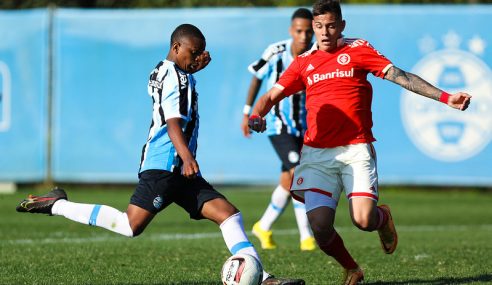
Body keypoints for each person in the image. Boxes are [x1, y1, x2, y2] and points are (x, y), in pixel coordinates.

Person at [16, 24, 305, 285]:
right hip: (165, 165)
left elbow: (176, 93)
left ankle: (264, 278)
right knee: (130, 225)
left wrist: (190, 70)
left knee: (228, 215)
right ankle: (57, 204)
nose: (197, 58)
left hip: (180, 168)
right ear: (176, 47)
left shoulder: (172, 71)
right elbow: (172, 121)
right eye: (193, 52)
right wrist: (187, 157)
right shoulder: (173, 75)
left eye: (201, 53)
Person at [248, 1, 472, 284]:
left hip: (355, 148)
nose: (325, 32)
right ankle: (352, 268)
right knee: (319, 226)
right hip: (317, 153)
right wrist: (257, 114)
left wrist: (444, 97)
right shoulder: (304, 61)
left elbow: (400, 76)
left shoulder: (358, 50)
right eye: (319, 26)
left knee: (363, 220)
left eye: (331, 25)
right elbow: (271, 95)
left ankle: (382, 218)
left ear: (341, 25)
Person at [241, 8, 316, 251]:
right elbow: (256, 77)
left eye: (308, 31)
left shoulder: (317, 54)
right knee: (298, 173)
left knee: (287, 180)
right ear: (291, 30)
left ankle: (263, 225)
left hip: (303, 126)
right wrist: (248, 112)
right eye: (299, 31)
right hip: (277, 123)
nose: (304, 36)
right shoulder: (276, 52)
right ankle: (306, 237)